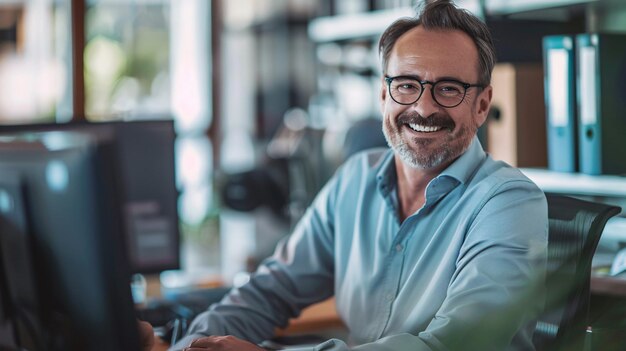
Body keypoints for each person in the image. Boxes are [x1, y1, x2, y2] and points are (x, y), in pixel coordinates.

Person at [159, 0, 548, 350]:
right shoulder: (355, 181)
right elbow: (270, 291)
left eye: (449, 89)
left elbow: (456, 344)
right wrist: (192, 345)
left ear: (481, 105)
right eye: (407, 85)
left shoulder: (509, 202)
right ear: (384, 97)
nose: (424, 108)